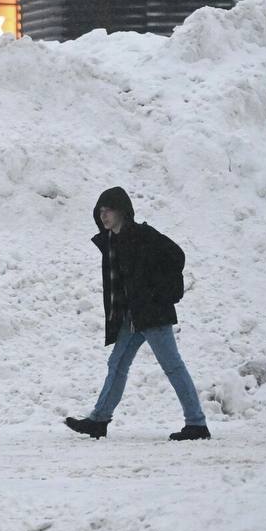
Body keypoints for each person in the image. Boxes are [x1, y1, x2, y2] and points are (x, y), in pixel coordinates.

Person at [65, 186, 211, 441]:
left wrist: (160, 291)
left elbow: (176, 256)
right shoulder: (111, 241)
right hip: (131, 316)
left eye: (108, 210)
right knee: (117, 363)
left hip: (153, 314)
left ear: (122, 211)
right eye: (100, 211)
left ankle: (197, 424)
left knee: (172, 366)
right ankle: (99, 420)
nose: (103, 216)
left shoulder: (143, 235)